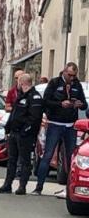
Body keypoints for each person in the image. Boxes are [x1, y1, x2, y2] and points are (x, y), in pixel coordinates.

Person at [33, 62, 87, 195]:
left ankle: (68, 189)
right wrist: (60, 104)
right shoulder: (54, 83)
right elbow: (46, 101)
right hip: (55, 123)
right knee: (48, 155)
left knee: (70, 157)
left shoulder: (77, 85)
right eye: (70, 75)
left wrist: (79, 104)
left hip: (71, 125)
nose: (72, 78)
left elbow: (85, 105)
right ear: (64, 72)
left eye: (74, 76)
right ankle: (39, 187)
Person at [0, 73, 43, 195]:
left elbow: (35, 118)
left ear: (22, 83)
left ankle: (22, 186)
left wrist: (25, 131)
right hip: (14, 133)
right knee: (11, 160)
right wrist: (8, 128)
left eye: (18, 83)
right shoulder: (21, 96)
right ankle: (7, 185)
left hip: (25, 136)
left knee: (25, 161)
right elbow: (14, 114)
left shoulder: (35, 97)